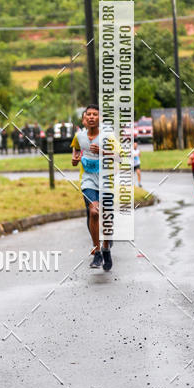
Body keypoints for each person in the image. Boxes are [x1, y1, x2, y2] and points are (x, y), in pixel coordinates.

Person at [71, 103, 115, 272]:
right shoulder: (79, 136)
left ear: (100, 118)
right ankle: (97, 251)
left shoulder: (108, 136)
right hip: (88, 180)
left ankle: (106, 248)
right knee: (94, 212)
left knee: (107, 218)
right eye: (88, 114)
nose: (91, 117)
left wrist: (103, 151)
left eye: (94, 114)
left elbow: (119, 156)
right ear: (84, 119)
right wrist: (74, 159)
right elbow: (76, 151)